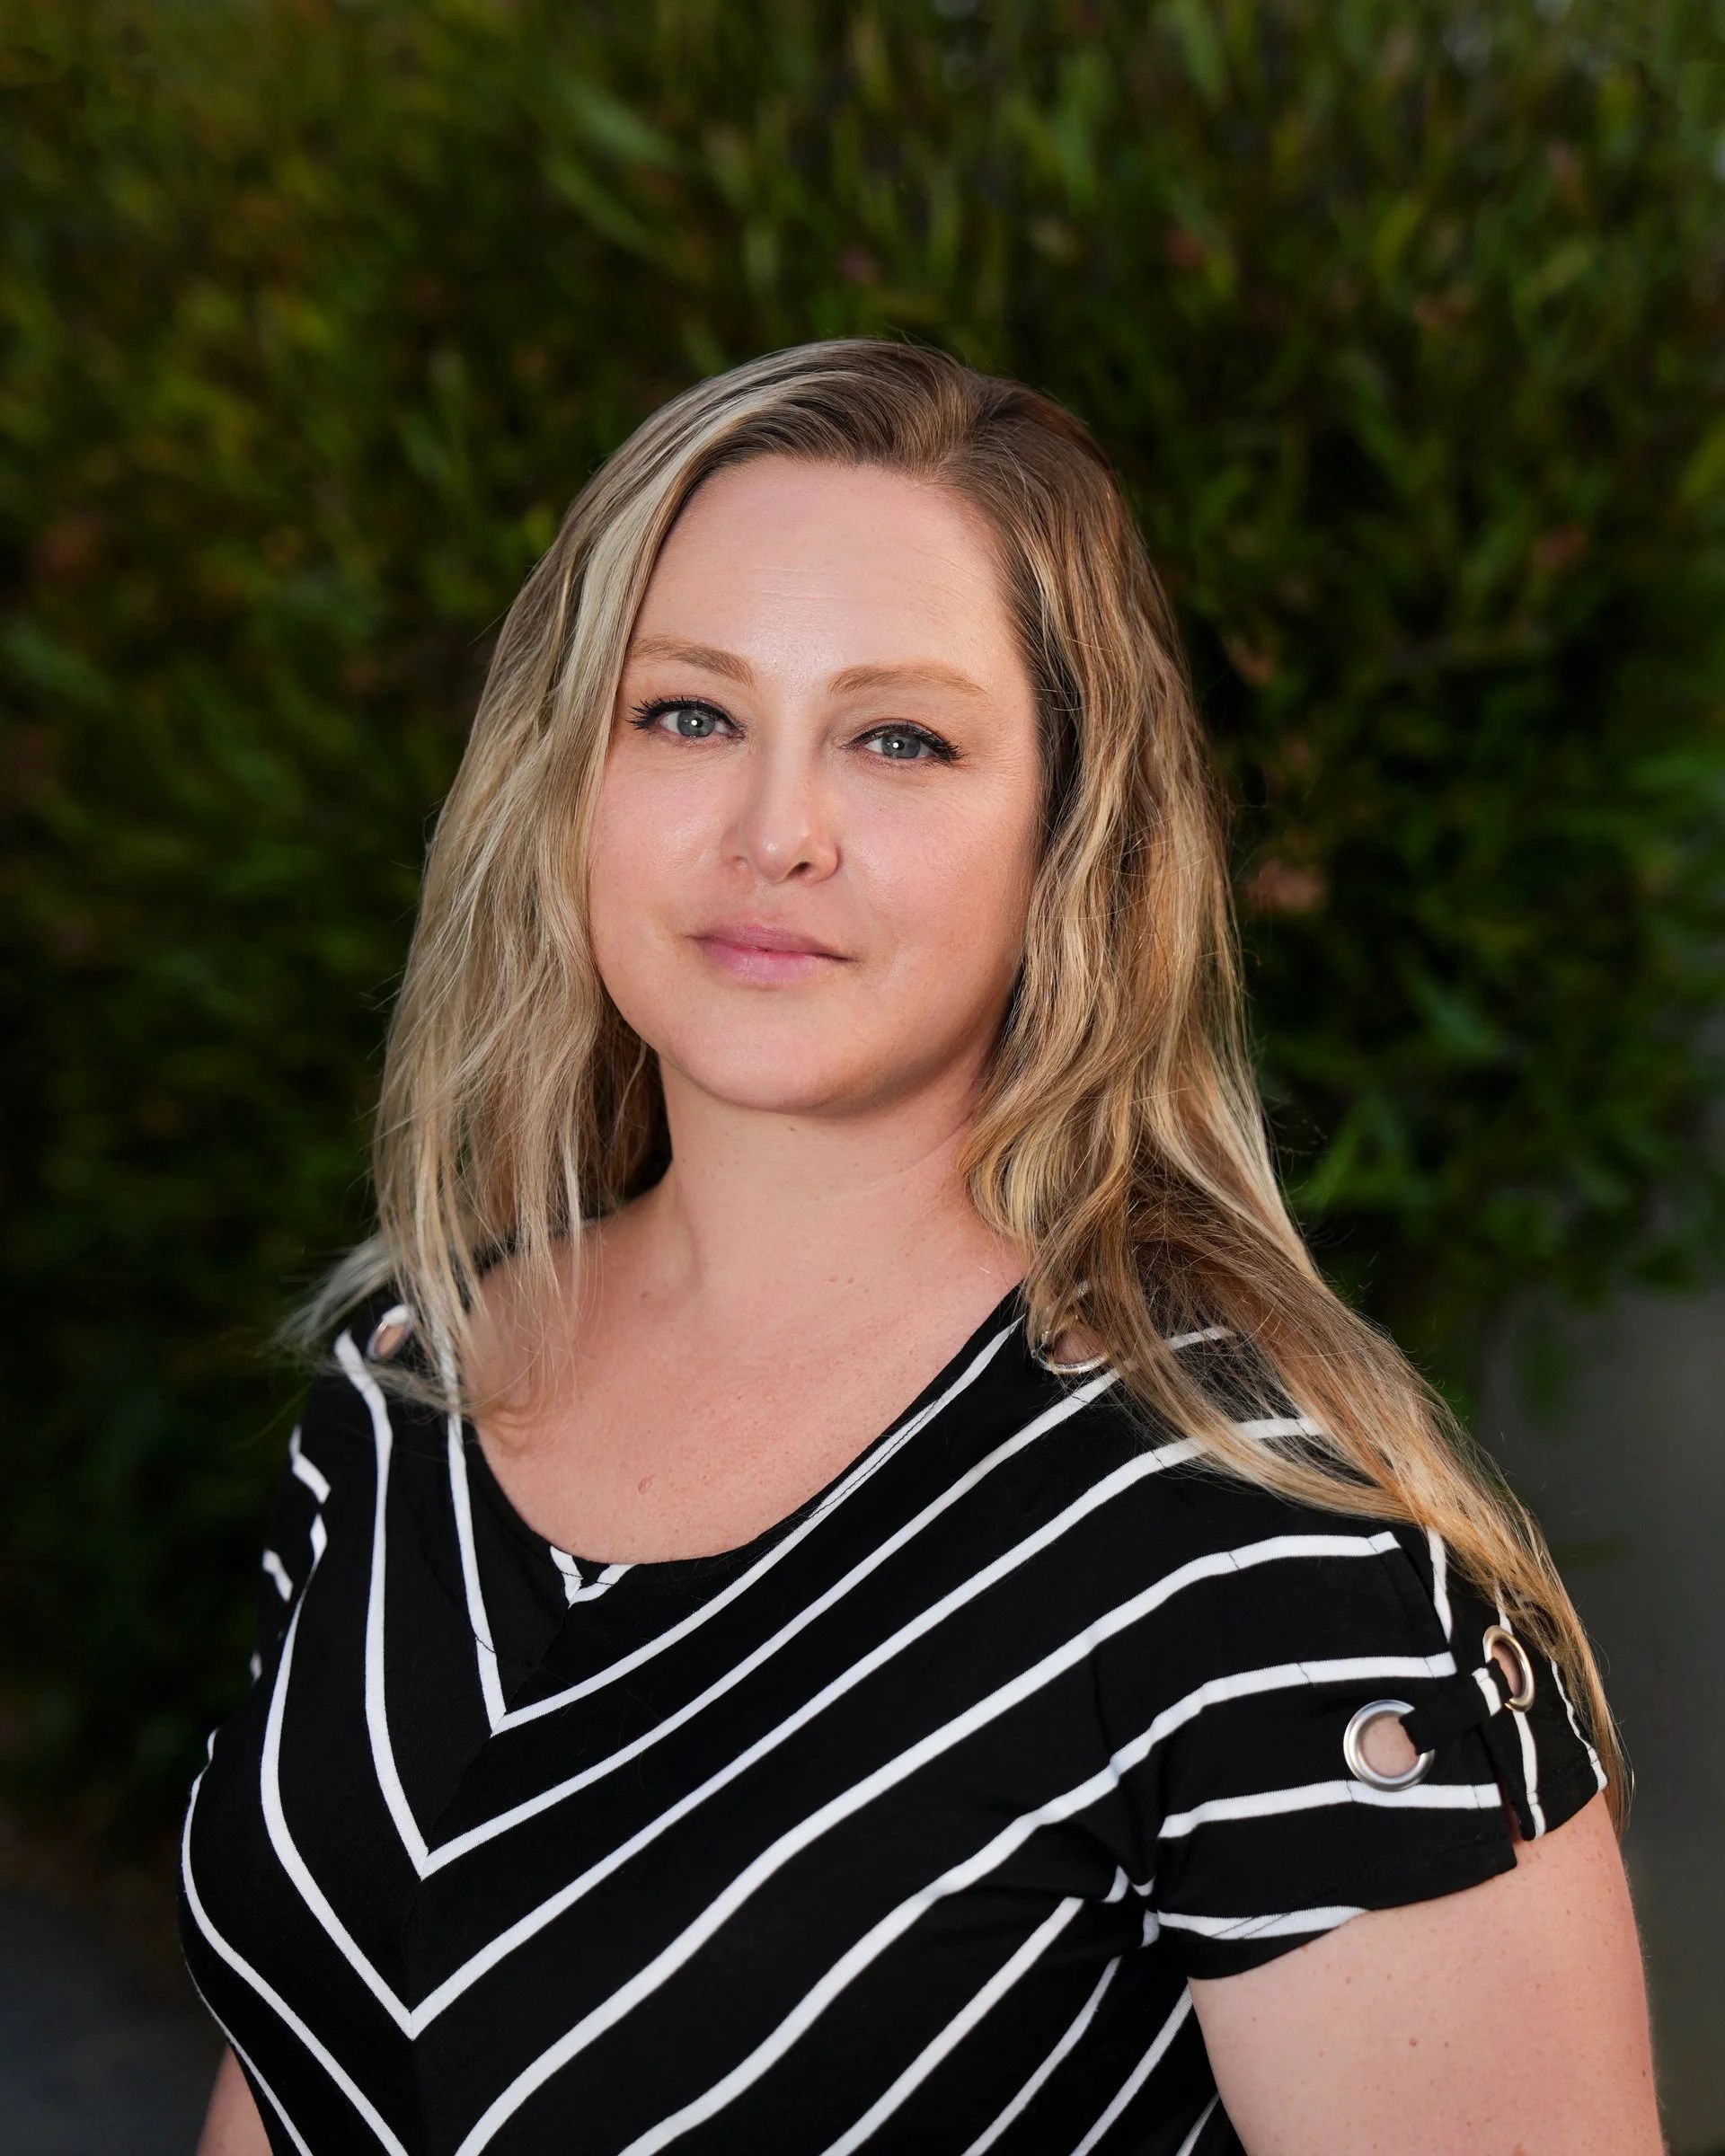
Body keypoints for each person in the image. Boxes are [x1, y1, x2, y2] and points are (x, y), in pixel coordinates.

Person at [179, 338, 1663, 2155]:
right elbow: (292, 2054)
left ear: (1073, 839)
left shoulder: (1278, 1570)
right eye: (689, 715)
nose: (774, 834)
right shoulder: (416, 1383)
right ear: (566, 777)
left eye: (899, 738)